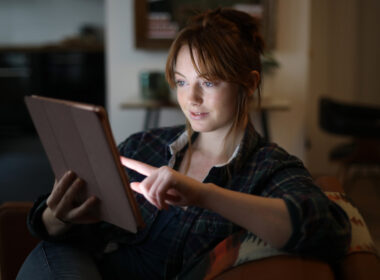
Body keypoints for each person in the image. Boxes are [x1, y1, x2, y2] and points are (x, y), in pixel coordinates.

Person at [17, 8, 351, 280]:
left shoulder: (268, 168)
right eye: (181, 81)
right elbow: (71, 228)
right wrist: (55, 218)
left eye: (208, 81)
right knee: (51, 249)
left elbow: (329, 230)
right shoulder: (144, 145)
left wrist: (202, 194)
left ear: (249, 84)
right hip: (80, 264)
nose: (190, 98)